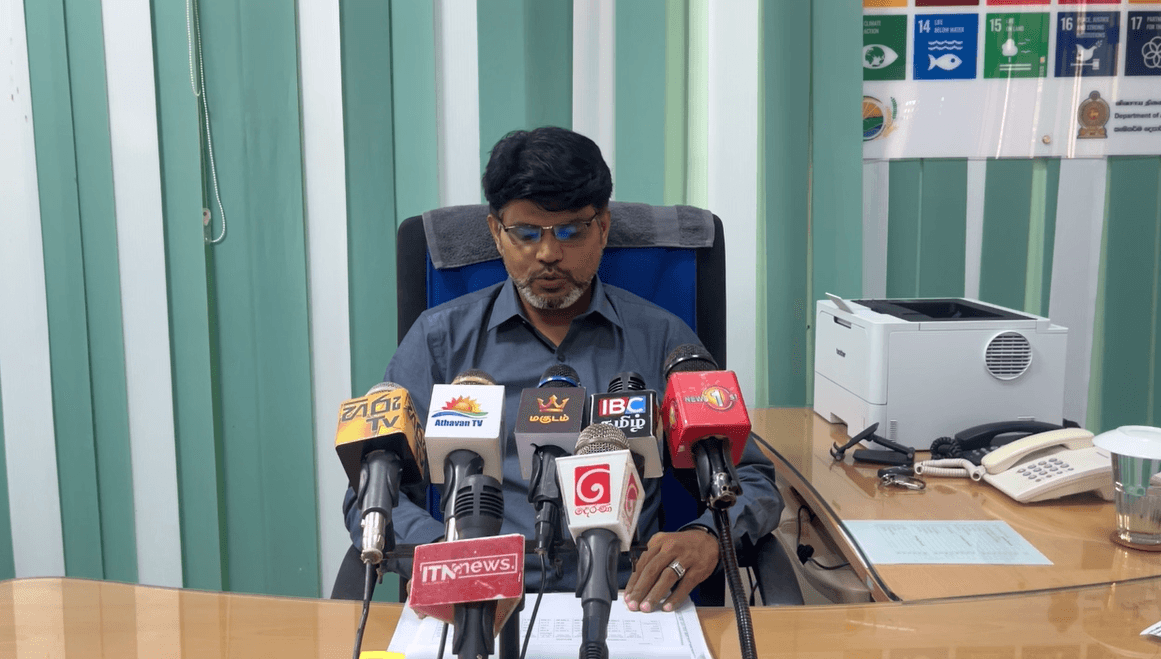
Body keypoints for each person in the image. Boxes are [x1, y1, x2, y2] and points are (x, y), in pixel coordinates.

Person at [343, 126, 785, 614]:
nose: (548, 254)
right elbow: (368, 492)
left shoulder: (662, 339)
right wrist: (441, 559)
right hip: (478, 604)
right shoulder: (440, 341)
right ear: (496, 233)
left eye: (571, 231)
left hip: (628, 606)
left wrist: (708, 537)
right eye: (526, 233)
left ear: (604, 229)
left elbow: (753, 479)